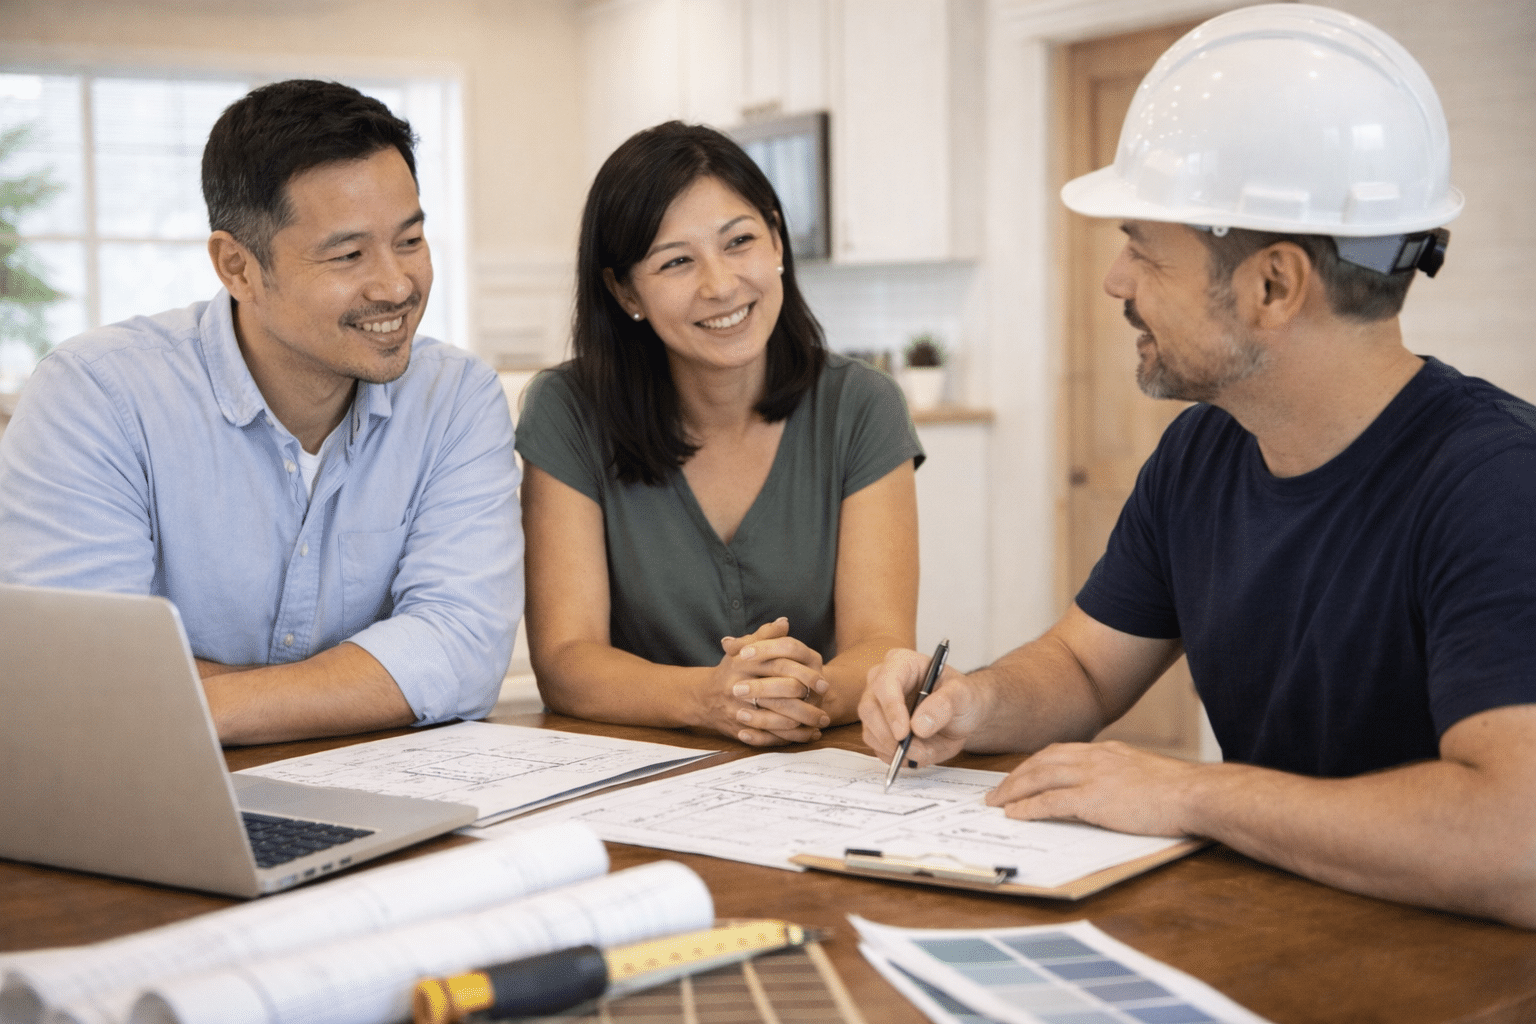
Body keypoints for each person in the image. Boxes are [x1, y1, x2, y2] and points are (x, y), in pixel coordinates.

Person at [861, 4, 1536, 927]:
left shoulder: (1497, 485)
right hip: (1283, 941)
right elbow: (1087, 670)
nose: (1116, 281)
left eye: (1144, 248)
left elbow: (1516, 841)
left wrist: (1191, 793)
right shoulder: (1204, 452)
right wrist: (973, 704)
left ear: (1274, 285)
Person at [0, 80, 522, 746]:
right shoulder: (97, 396)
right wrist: (367, 682)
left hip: (376, 792)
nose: (396, 285)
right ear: (237, 266)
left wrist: (188, 702)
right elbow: (81, 676)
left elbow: (463, 651)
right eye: (348, 255)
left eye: (411, 240)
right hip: (155, 801)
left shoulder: (455, 398)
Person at [517, 121, 921, 746]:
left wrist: (794, 696)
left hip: (812, 759)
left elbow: (882, 644)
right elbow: (568, 662)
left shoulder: (863, 405)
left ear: (778, 242)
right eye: (677, 261)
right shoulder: (567, 410)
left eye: (739, 242)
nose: (721, 284)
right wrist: (713, 698)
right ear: (624, 290)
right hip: (633, 768)